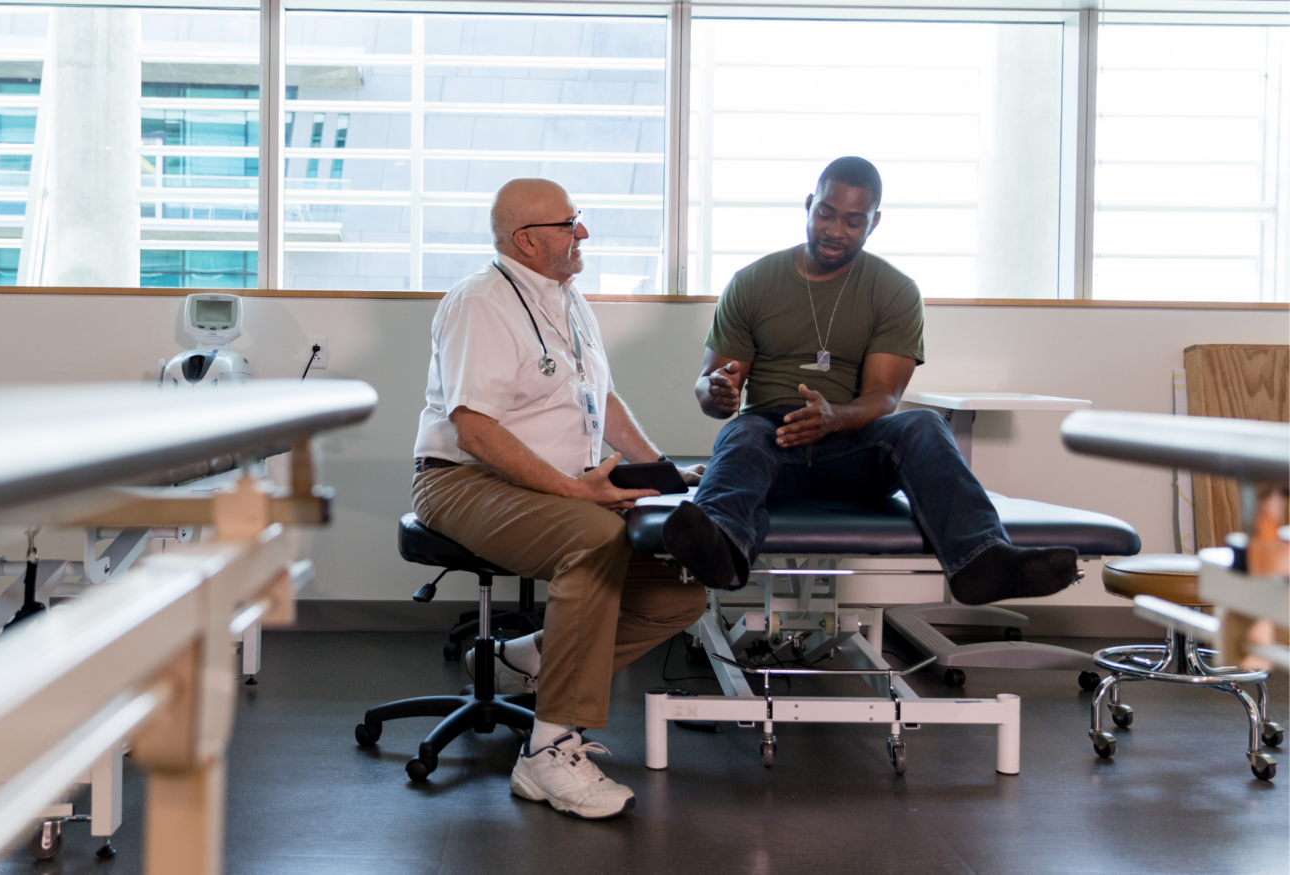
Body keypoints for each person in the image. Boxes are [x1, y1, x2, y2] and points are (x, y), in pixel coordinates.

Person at [411, 177, 706, 820]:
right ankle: (547, 753)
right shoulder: (480, 302)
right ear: (526, 239)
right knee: (593, 538)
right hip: (461, 479)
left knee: (678, 593)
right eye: (570, 222)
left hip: (559, 483)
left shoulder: (570, 301)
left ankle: (526, 659)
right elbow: (475, 429)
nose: (584, 233)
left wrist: (659, 472)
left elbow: (604, 401)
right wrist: (577, 492)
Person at [663, 156, 1080, 605]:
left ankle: (982, 561)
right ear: (809, 205)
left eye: (853, 220)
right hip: (772, 439)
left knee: (923, 424)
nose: (835, 230)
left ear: (873, 222)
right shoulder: (751, 283)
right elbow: (714, 388)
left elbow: (884, 396)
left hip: (853, 449)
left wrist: (834, 417)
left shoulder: (895, 290)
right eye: (825, 213)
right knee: (741, 430)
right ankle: (721, 549)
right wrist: (714, 391)